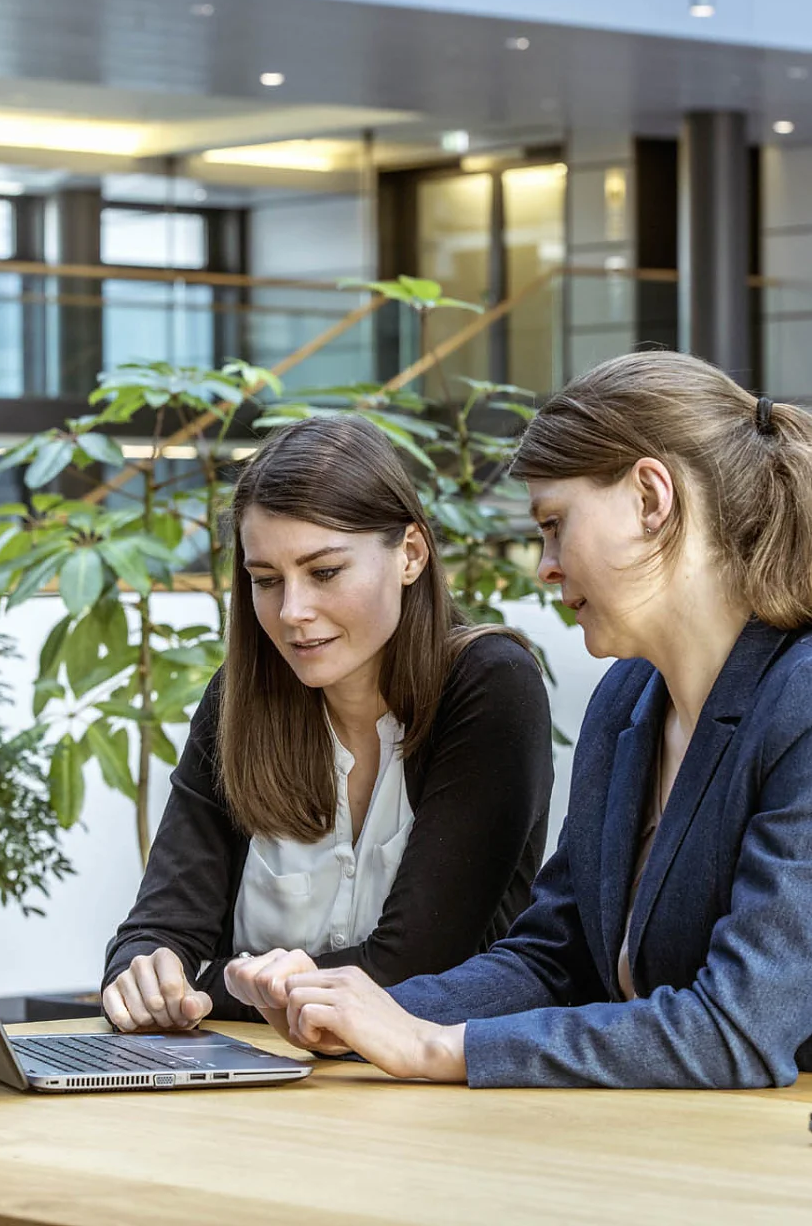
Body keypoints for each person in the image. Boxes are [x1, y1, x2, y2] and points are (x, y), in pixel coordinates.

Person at [249, 350, 812, 1090]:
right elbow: (553, 956)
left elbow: (737, 1027)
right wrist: (363, 1014)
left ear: (650, 497)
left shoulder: (798, 700)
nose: (543, 565)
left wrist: (436, 1048)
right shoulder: (626, 704)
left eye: (554, 523)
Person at [102, 415, 553, 1032]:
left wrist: (207, 984)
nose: (292, 612)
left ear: (411, 555)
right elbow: (159, 933)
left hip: (436, 1093)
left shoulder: (490, 684)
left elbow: (407, 969)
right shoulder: (239, 699)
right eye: (265, 580)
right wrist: (143, 973)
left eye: (324, 572)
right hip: (252, 1094)